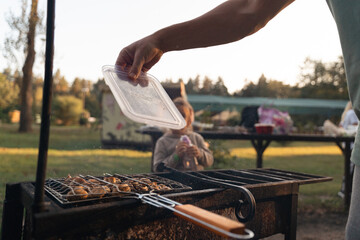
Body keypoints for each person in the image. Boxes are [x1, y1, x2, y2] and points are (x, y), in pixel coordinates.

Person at [115, 1, 360, 239]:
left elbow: (208, 158)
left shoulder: (197, 138)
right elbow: (249, 8)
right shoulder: (164, 141)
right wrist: (159, 41)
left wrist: (198, 155)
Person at [153, 97, 213, 172]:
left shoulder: (196, 138)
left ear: (188, 121)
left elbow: (210, 161)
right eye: (173, 115)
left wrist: (199, 153)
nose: (178, 119)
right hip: (173, 181)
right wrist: (175, 156)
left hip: (196, 179)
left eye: (182, 116)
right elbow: (157, 169)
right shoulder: (163, 142)